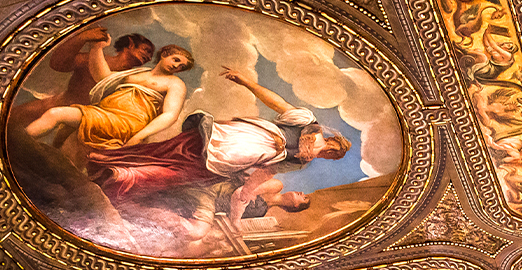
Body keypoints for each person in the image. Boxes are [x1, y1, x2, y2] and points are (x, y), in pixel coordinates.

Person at [83, 67, 351, 228]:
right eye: (330, 153)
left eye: (329, 155)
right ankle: (115, 168)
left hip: (232, 145)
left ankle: (112, 166)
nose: (325, 155)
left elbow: (266, 165)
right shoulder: (305, 136)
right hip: (232, 147)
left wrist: (244, 194)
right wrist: (247, 83)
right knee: (175, 163)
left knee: (173, 159)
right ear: (333, 148)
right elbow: (276, 107)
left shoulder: (303, 141)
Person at [24, 42, 193, 149]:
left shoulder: (175, 84)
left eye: (181, 67)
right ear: (164, 55)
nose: (177, 66)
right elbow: (103, 78)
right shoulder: (138, 73)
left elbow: (170, 115)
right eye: (176, 60)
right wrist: (96, 48)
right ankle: (16, 144)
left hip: (127, 123)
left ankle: (16, 143)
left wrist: (139, 136)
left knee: (56, 114)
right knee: (66, 136)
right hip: (105, 114)